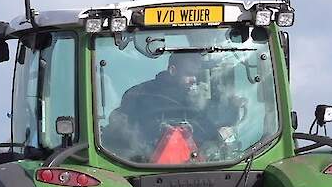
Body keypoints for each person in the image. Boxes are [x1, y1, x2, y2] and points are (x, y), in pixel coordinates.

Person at [102, 52, 242, 162]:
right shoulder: (139, 95)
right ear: (173, 70)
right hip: (145, 165)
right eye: (188, 74)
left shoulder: (198, 100)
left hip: (196, 165)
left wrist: (233, 110)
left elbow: (210, 130)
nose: (194, 80)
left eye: (196, 75)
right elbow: (122, 132)